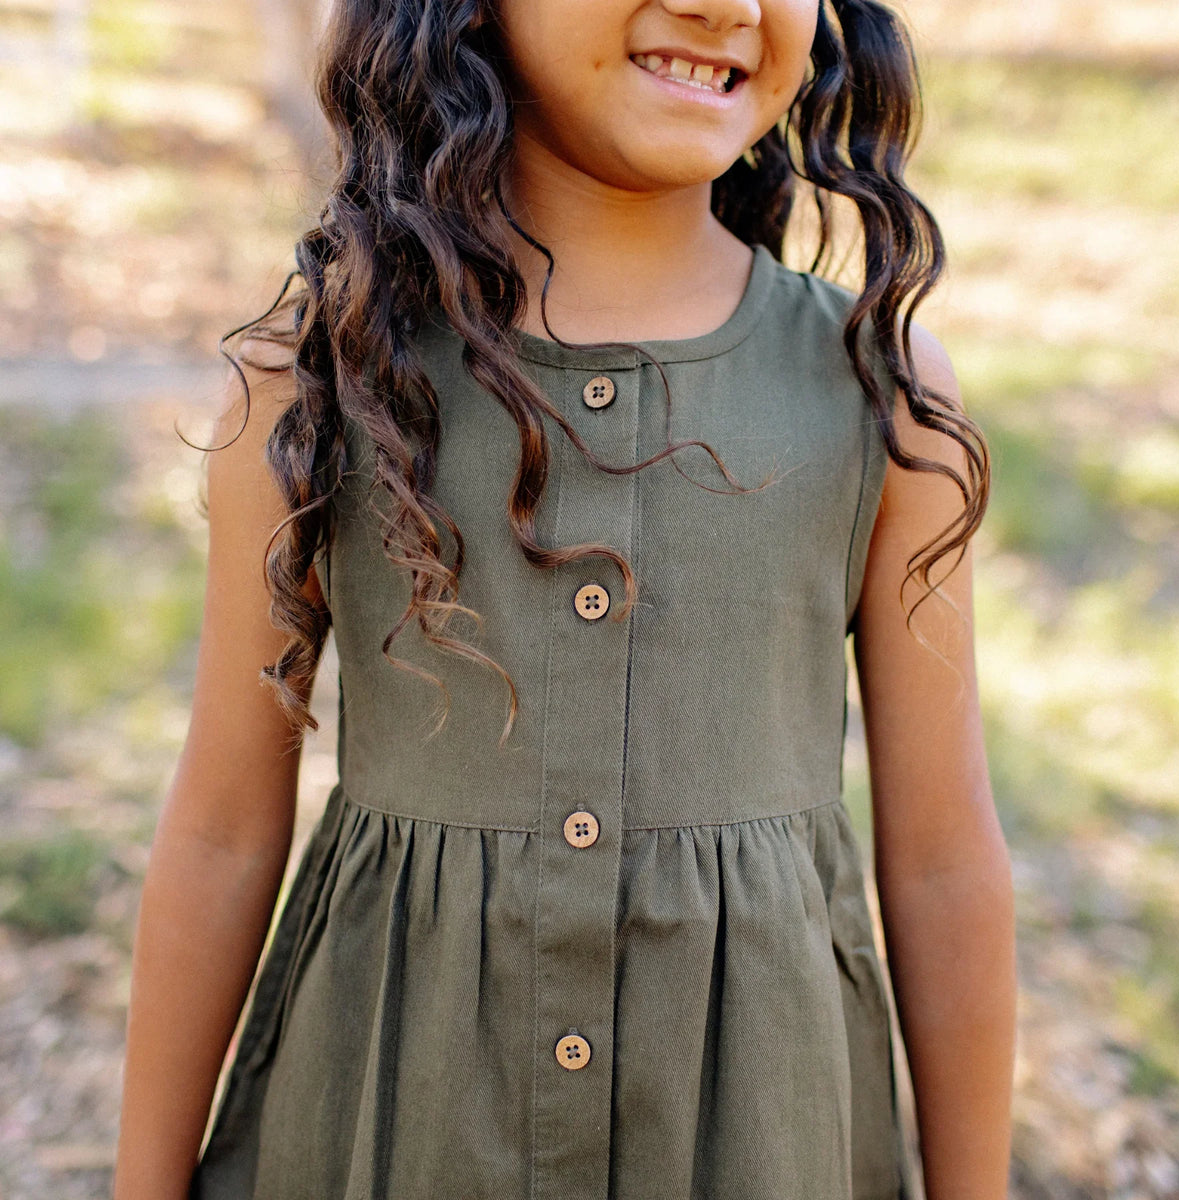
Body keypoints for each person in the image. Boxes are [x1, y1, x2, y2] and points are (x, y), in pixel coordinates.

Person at [113, 0, 1017, 1197]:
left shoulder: (877, 397)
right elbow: (224, 831)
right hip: (388, 1138)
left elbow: (946, 863)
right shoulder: (318, 379)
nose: (729, 7)